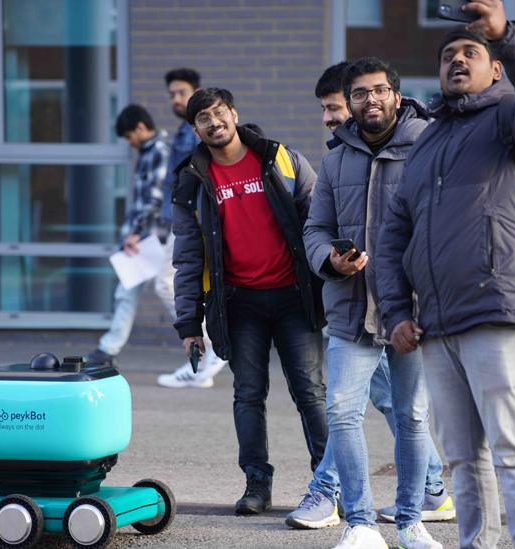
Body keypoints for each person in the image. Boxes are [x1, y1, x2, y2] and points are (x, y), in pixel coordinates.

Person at [375, 2, 515, 548]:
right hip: (437, 324)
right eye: (448, 55)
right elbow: (393, 237)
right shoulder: (427, 140)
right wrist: (395, 313)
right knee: (462, 457)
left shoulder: (513, 119)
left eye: (470, 53)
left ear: (496, 68)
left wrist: (506, 34)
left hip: (501, 309)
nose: (457, 60)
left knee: (512, 448)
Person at [171, 88, 339, 521]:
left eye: (219, 113)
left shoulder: (279, 159)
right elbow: (188, 256)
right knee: (248, 395)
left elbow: (321, 220)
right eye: (203, 118)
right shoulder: (191, 178)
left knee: (310, 393)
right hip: (238, 303)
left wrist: (333, 284)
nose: (213, 122)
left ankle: (328, 483)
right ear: (195, 129)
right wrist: (189, 323)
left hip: (292, 297)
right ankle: (256, 485)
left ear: (234, 114)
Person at [303, 58, 445, 549]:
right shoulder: (336, 158)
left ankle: (410, 522)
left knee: (412, 415)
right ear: (351, 101)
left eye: (380, 90)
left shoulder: (428, 145)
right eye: (360, 93)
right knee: (342, 411)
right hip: (349, 308)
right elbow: (314, 229)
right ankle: (361, 523)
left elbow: (447, 224)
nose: (371, 100)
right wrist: (330, 261)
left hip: (412, 309)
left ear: (397, 94)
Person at [84, 105, 178, 369]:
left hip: (151, 239)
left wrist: (136, 232)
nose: (129, 143)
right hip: (146, 238)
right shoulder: (151, 152)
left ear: (140, 127)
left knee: (168, 290)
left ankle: (206, 344)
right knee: (127, 293)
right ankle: (107, 349)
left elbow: (154, 198)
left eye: (129, 136)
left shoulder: (158, 151)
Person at [154, 67, 228, 389]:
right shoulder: (183, 133)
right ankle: (207, 354)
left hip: (196, 220)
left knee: (167, 281)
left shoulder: (195, 134)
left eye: (181, 93)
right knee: (178, 283)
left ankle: (212, 349)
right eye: (171, 94)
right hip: (182, 220)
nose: (175, 99)